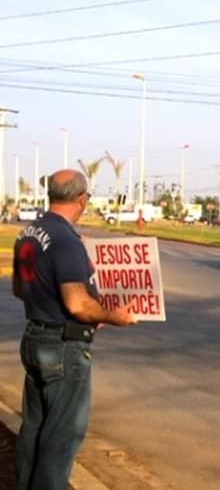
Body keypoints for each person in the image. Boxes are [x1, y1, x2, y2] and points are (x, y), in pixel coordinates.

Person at [12, 170, 138, 489]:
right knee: (61, 435)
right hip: (62, 346)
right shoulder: (66, 241)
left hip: (34, 338)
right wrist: (112, 316)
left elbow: (19, 289)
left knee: (34, 427)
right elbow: (77, 303)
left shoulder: (28, 233)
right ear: (81, 198)